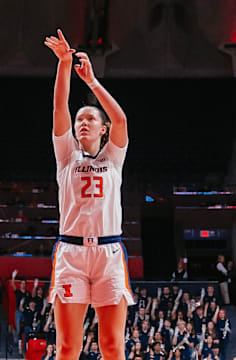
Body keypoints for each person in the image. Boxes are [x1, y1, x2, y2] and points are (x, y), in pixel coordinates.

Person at [44, 29, 135, 360]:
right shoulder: (67, 155)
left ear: (103, 129)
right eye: (80, 119)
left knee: (112, 346)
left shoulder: (113, 158)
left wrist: (93, 83)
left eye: (91, 119)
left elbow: (122, 120)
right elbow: (59, 111)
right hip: (71, 254)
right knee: (68, 347)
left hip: (109, 253)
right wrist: (65, 65)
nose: (82, 122)